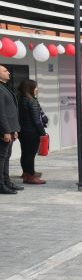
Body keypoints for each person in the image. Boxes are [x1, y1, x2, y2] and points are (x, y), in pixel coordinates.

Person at [15, 79, 46, 185]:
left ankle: (26, 173)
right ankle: (31, 176)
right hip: (32, 132)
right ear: (30, 89)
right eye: (35, 87)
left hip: (22, 132)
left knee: (25, 153)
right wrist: (43, 133)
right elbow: (37, 120)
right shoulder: (31, 101)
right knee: (30, 155)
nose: (37, 89)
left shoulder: (20, 99)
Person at [0, 65, 22, 194]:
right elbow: (1, 113)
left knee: (6, 158)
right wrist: (6, 131)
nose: (8, 72)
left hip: (10, 129)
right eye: (5, 70)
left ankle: (7, 182)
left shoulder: (4, 87)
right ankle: (1, 185)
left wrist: (14, 129)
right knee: (1, 159)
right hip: (4, 131)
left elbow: (11, 111)